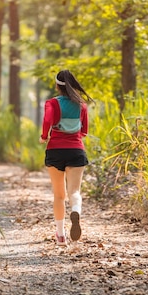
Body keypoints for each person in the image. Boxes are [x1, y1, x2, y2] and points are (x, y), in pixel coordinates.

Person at [40, 70, 92, 246]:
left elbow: (47, 120)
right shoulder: (81, 105)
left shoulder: (52, 103)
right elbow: (84, 131)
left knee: (59, 195)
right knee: (74, 192)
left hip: (55, 151)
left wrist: (43, 135)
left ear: (57, 85)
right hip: (76, 150)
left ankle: (61, 235)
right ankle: (75, 210)